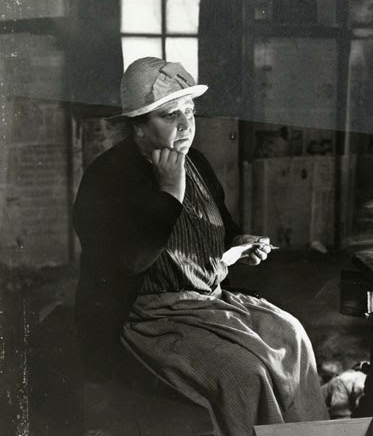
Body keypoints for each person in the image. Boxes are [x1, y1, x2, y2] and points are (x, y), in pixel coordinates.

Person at [73, 56, 328, 436]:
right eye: (170, 115)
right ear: (138, 126)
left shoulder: (196, 163)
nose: (185, 124)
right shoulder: (106, 177)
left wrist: (239, 242)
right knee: (244, 373)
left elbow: (220, 227)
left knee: (292, 336)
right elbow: (130, 261)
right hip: (147, 317)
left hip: (208, 300)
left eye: (189, 111)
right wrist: (169, 193)